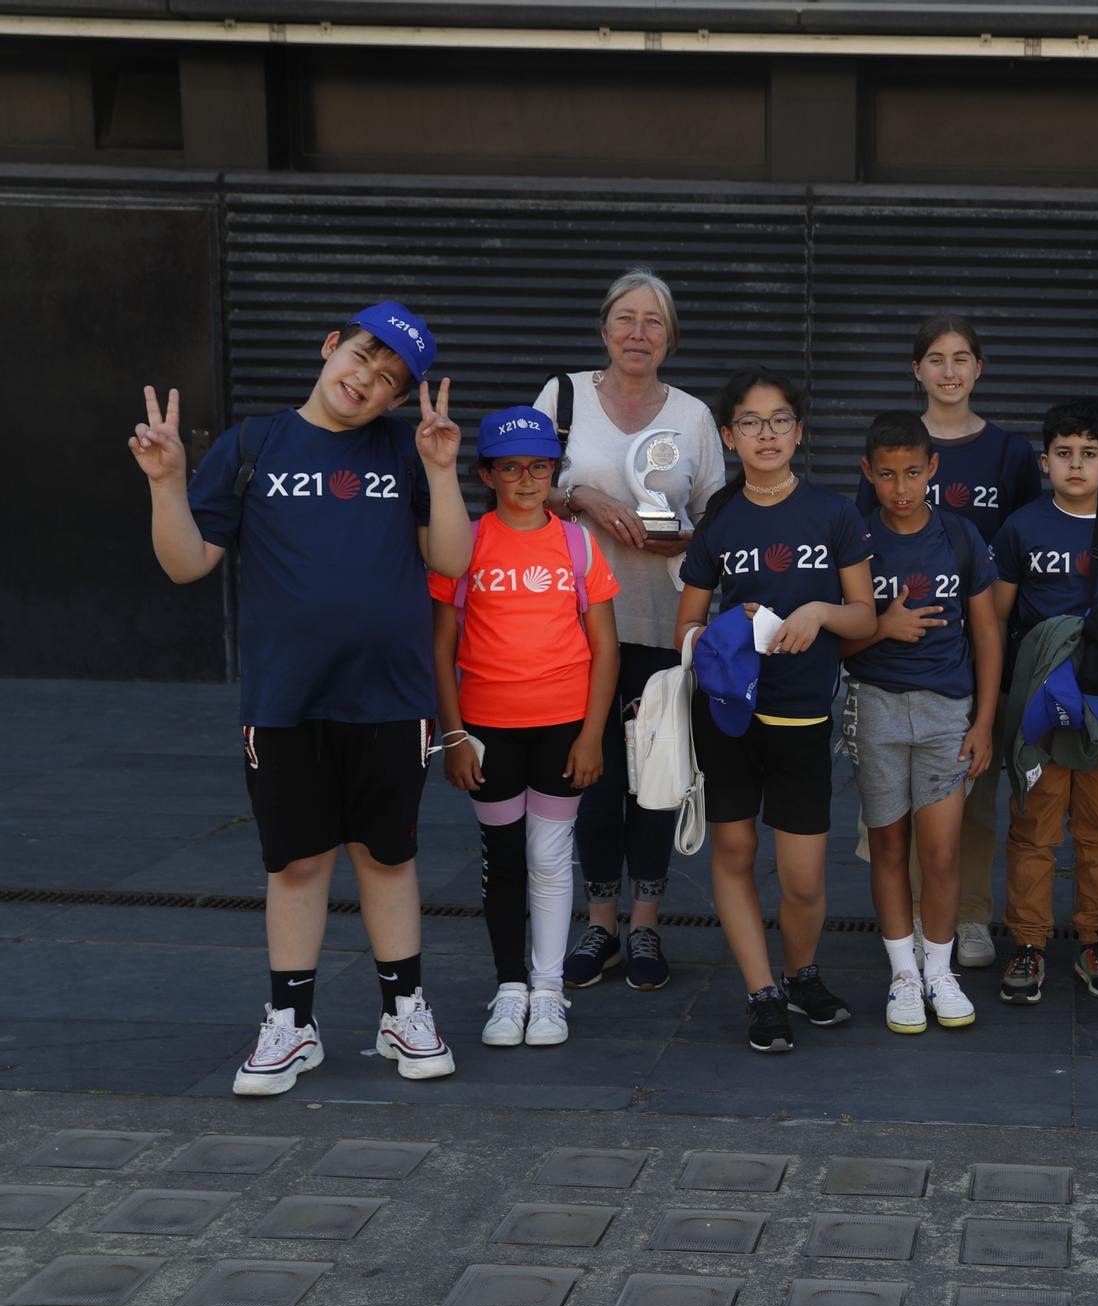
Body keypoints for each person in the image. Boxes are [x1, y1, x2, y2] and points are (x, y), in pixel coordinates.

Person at [128, 302, 470, 1096]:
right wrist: (168, 482)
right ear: (329, 346)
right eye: (360, 357)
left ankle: (403, 1010)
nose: (365, 380)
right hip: (285, 700)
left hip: (391, 696)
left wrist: (446, 470)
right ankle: (291, 1023)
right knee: (295, 861)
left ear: (398, 398)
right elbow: (186, 562)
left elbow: (450, 561)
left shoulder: (406, 449)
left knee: (389, 856)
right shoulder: (255, 444)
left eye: (389, 379)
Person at [538, 269, 727, 992]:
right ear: (604, 328)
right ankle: (602, 921)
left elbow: (719, 512)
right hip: (573, 624)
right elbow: (523, 482)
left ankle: (646, 920)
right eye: (625, 318)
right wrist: (578, 495)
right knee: (592, 777)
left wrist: (689, 541)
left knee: (657, 777)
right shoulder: (562, 398)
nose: (638, 332)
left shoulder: (693, 416)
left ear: (669, 337)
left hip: (661, 615)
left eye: (653, 321)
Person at [676, 369, 875, 1053]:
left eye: (780, 419)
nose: (767, 433)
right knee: (733, 849)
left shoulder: (833, 513)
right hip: (729, 713)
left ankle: (801, 972)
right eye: (752, 422)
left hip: (801, 715)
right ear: (729, 436)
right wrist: (739, 621)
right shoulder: (721, 519)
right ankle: (763, 992)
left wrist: (819, 611)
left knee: (804, 877)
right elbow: (688, 631)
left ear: (799, 430)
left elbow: (864, 615)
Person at [854, 315, 1042, 970]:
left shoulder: (1010, 453)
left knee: (973, 795)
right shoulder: (889, 449)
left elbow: (1023, 541)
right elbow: (860, 551)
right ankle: (905, 926)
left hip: (971, 650)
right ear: (917, 370)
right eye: (935, 358)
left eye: (962, 357)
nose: (949, 370)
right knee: (894, 814)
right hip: (890, 660)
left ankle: (969, 914)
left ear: (979, 368)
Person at [432, 407, 620, 1050]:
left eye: (539, 467)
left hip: (564, 726)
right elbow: (440, 645)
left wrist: (593, 735)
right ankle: (510, 987)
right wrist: (453, 736)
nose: (526, 479)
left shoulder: (575, 542)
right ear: (487, 474)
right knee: (504, 858)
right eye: (510, 468)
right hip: (488, 728)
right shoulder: (468, 539)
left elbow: (605, 647)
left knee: (548, 855)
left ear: (553, 473)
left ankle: (548, 991)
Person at [990, 399, 1098, 1005]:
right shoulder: (1022, 528)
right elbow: (997, 619)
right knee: (1034, 827)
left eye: (1089, 454)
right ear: (1045, 462)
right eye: (1064, 454)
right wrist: (1000, 702)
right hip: (1039, 702)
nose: (1076, 464)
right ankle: (1029, 943)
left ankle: (1095, 940)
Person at [843, 411, 1001, 1034]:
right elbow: (834, 640)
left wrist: (984, 721)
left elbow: (988, 632)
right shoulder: (852, 539)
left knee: (940, 854)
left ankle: (939, 970)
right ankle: (903, 975)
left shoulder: (960, 536)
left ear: (933, 468)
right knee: (888, 845)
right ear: (868, 473)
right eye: (887, 475)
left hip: (947, 713)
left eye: (913, 472)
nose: (901, 487)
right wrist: (883, 626)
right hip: (876, 706)